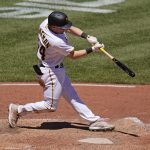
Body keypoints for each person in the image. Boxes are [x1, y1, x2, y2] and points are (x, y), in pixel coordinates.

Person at [8, 11, 115, 131]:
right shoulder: (55, 42)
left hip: (53, 68)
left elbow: (69, 28)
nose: (65, 29)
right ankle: (18, 110)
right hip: (50, 72)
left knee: (72, 96)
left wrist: (87, 36)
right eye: (62, 27)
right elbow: (73, 55)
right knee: (50, 106)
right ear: (54, 27)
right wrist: (92, 49)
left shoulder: (46, 23)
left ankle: (93, 120)